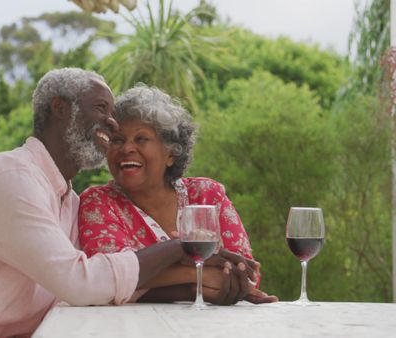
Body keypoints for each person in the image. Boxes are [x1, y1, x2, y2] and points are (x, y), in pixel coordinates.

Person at [0, 68, 256, 338]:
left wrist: (197, 285)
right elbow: (81, 284)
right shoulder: (12, 178)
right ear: (61, 109)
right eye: (102, 109)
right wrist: (184, 247)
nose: (111, 123)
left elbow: (103, 283)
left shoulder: (65, 197)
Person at [78, 84, 278, 303]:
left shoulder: (207, 195)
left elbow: (245, 274)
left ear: (171, 153)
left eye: (141, 139)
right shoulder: (97, 202)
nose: (126, 148)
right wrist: (198, 276)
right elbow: (106, 279)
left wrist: (153, 278)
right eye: (117, 140)